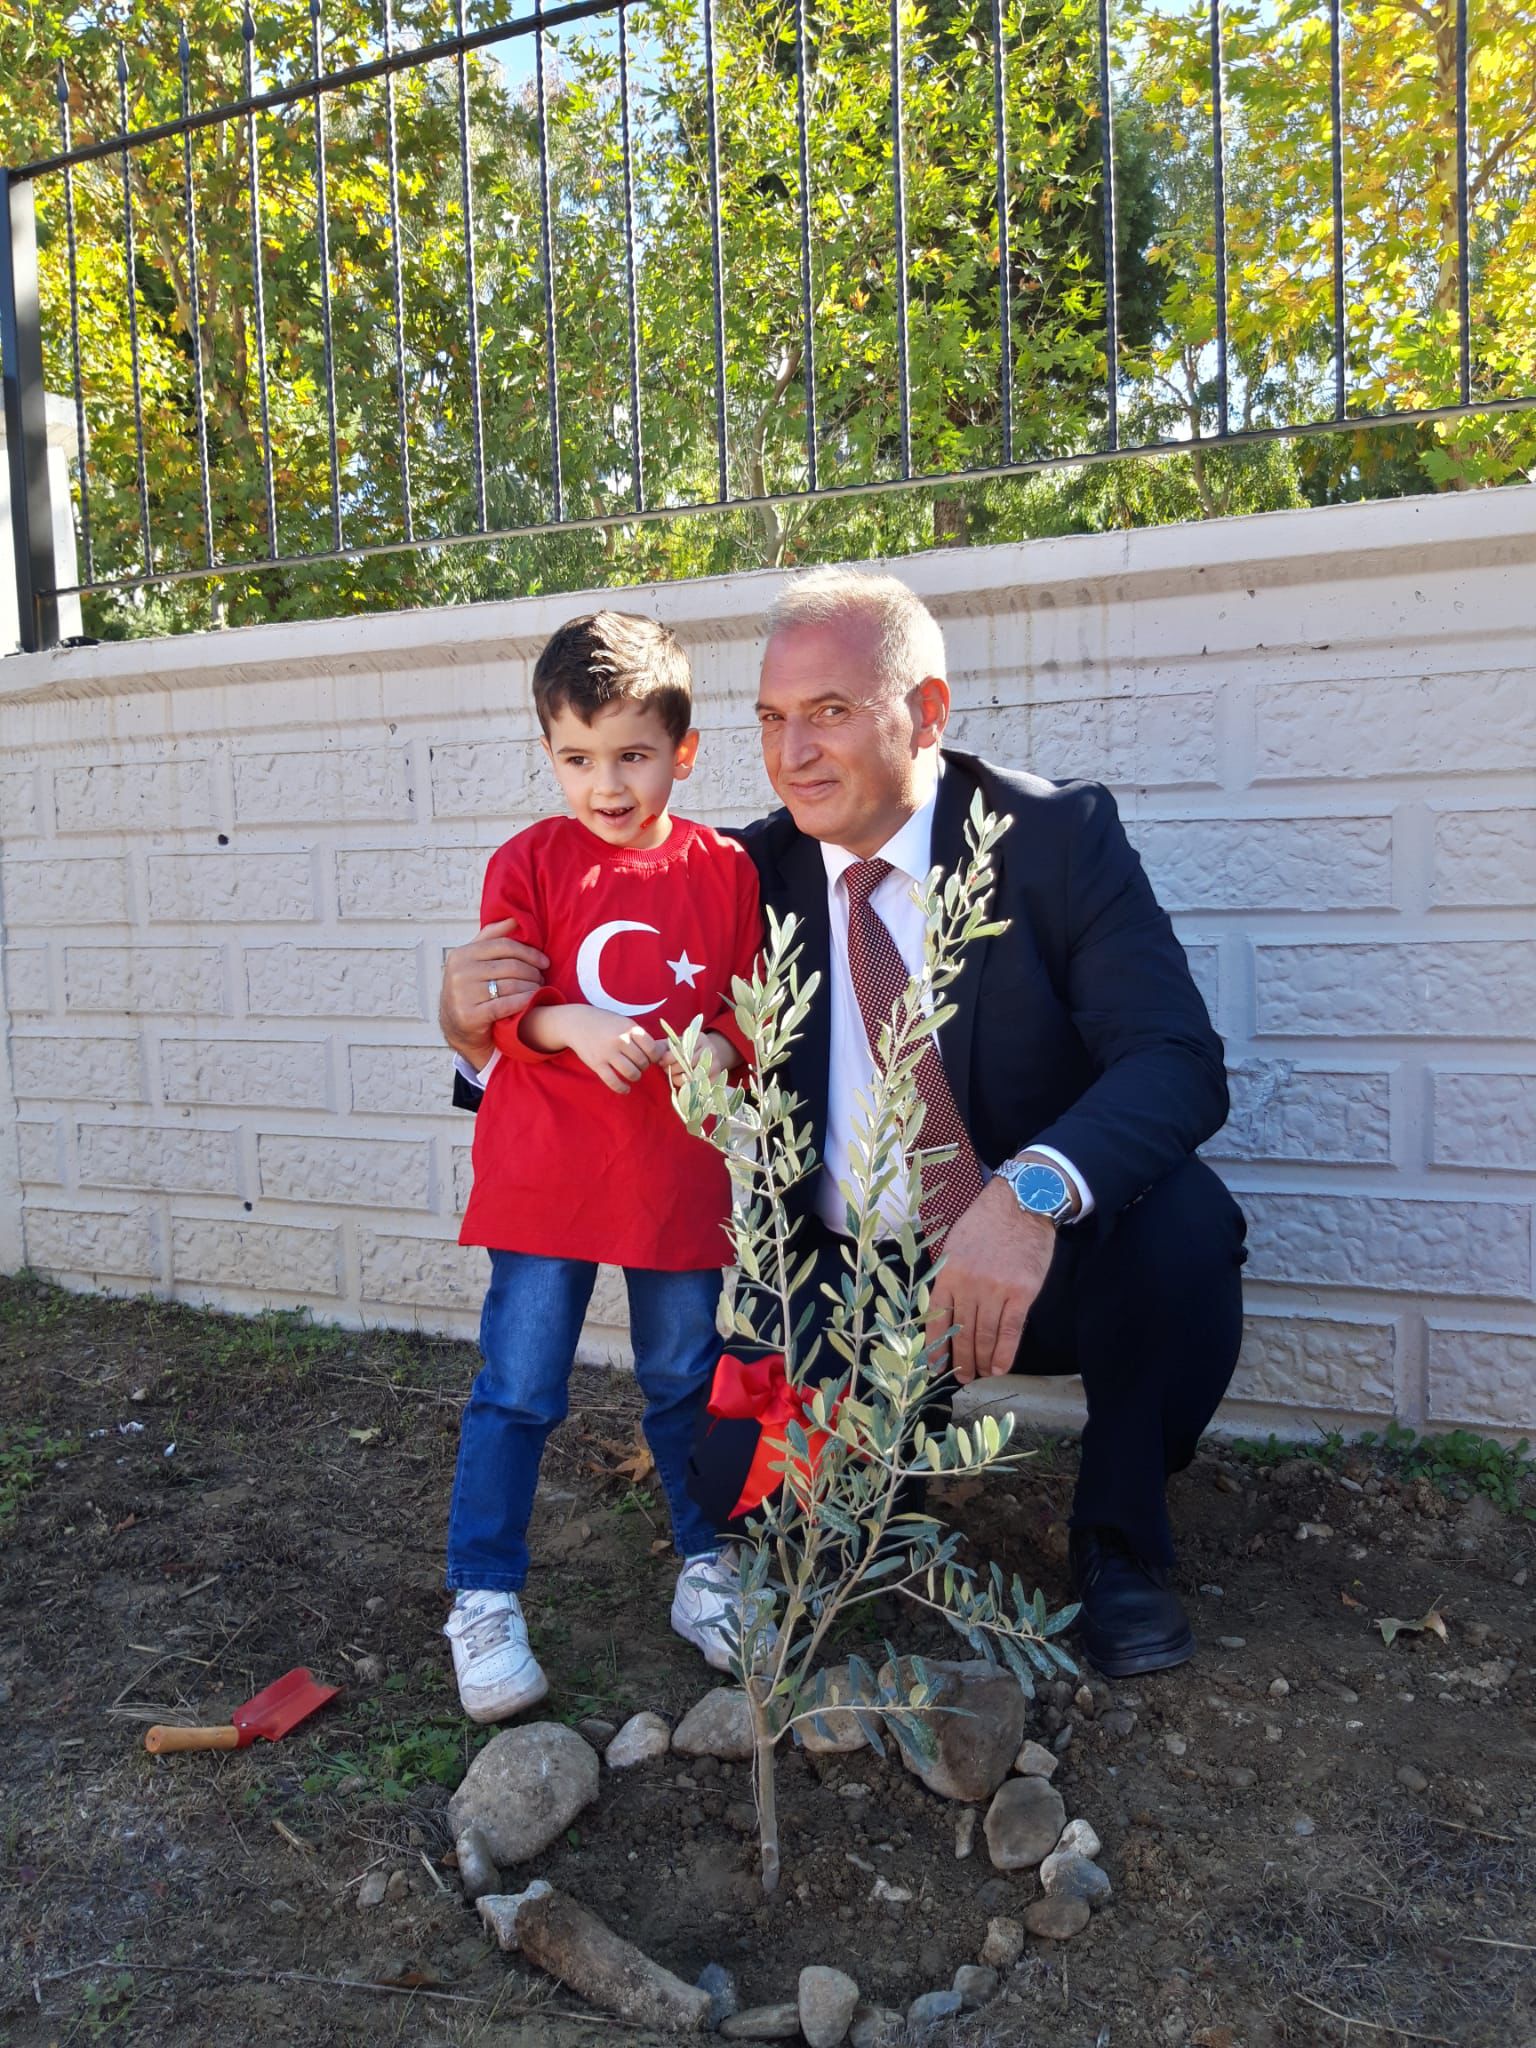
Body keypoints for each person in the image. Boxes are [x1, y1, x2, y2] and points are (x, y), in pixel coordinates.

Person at [442, 570, 1247, 1681]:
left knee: (1185, 1229)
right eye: (773, 718)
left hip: (1038, 1266)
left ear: (927, 711)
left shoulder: (1053, 838)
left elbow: (1176, 1059)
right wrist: (470, 1026)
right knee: (744, 1494)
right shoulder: (744, 872)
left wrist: (1029, 1192)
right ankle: (886, 1473)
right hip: (844, 1277)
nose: (794, 753)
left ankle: (1119, 1539)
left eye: (829, 711)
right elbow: (600, 1010)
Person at [443, 610, 765, 1723]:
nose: (607, 784)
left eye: (632, 754)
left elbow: (754, 998)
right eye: (577, 758)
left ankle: (709, 1566)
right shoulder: (528, 862)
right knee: (520, 1387)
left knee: (684, 1377)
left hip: (671, 1181)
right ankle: (484, 1595)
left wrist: (722, 1043)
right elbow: (497, 1007)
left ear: (685, 749)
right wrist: (567, 1020)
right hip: (545, 1184)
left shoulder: (725, 869)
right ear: (549, 751)